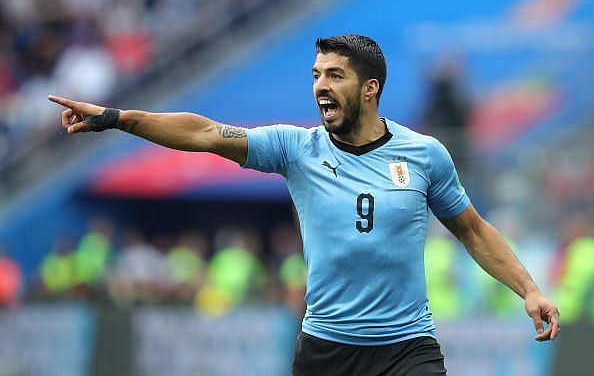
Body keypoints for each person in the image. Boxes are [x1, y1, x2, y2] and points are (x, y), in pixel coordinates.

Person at [49, 34, 560, 375]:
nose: (320, 86)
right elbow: (205, 132)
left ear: (370, 88)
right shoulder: (296, 149)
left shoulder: (425, 155)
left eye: (335, 75)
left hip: (408, 348)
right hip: (326, 349)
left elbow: (472, 230)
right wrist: (116, 117)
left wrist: (529, 289)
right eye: (316, 74)